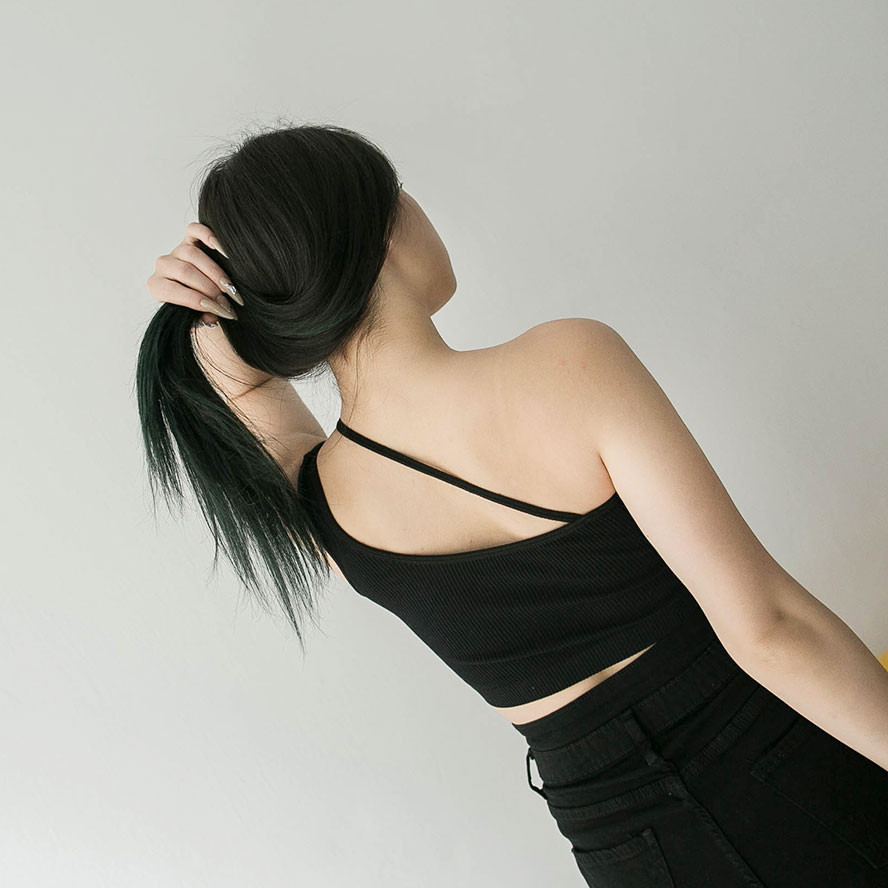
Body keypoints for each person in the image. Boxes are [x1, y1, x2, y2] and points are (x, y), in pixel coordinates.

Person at [137, 123, 888, 886]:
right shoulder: (570, 363)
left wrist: (212, 316)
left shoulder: (325, 507)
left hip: (627, 852)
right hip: (794, 771)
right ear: (383, 229)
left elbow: (252, 400)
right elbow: (770, 628)